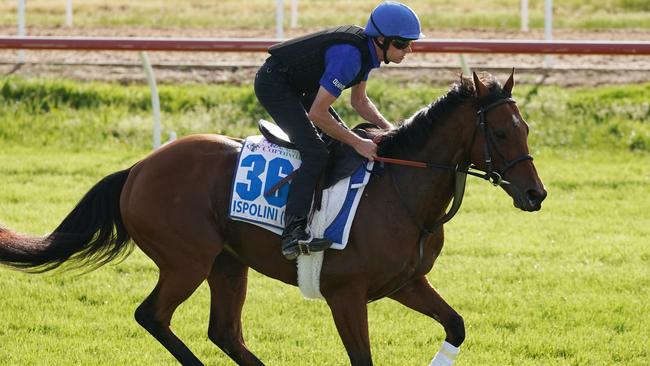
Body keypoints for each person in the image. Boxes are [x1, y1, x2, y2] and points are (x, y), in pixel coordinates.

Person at [254, 1, 425, 260]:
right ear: (381, 39)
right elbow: (318, 114)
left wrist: (389, 129)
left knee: (338, 142)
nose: (408, 50)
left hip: (299, 85)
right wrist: (358, 142)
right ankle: (293, 232)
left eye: (409, 43)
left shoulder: (368, 51)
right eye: (402, 43)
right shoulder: (350, 56)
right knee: (316, 153)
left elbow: (360, 102)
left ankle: (321, 215)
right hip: (275, 84)